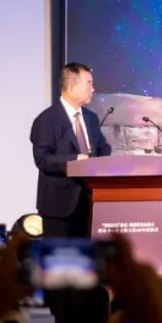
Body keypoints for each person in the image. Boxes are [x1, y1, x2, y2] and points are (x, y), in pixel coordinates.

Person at [30, 62, 112, 237]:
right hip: (59, 208)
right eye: (88, 84)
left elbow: (103, 148)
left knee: (88, 254)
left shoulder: (91, 118)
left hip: (91, 203)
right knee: (60, 254)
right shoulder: (46, 120)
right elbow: (42, 159)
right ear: (71, 87)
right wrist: (76, 160)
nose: (93, 89)